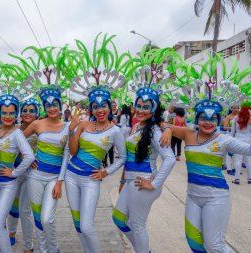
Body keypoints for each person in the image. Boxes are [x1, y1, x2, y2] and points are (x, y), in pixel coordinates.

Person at [162, 59, 251, 252]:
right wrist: (168, 129)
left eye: (212, 119)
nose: (207, 122)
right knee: (194, 242)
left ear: (218, 120)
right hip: (193, 196)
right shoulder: (188, 134)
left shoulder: (224, 140)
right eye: (203, 118)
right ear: (196, 118)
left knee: (214, 245)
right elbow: (160, 124)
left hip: (216, 196)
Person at [113, 67, 176, 253]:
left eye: (146, 107)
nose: (141, 110)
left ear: (154, 109)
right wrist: (123, 181)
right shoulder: (136, 127)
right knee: (118, 219)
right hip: (131, 181)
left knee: (137, 225)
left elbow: (170, 159)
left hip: (143, 183)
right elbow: (127, 158)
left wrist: (154, 183)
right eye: (138, 106)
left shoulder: (156, 131)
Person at [66, 71, 127, 253]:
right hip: (71, 175)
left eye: (104, 106)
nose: (100, 110)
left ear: (109, 107)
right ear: (91, 109)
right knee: (78, 224)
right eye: (95, 106)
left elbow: (123, 157)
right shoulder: (84, 125)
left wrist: (106, 172)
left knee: (86, 225)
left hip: (90, 179)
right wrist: (71, 130)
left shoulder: (115, 131)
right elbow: (73, 151)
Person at [0, 86, 35, 253]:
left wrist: (14, 172)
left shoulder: (17, 134)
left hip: (7, 184)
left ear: (16, 114)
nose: (8, 116)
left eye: (12, 113)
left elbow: (29, 156)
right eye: (4, 112)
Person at [23, 80, 70, 253]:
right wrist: (26, 157)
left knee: (47, 219)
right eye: (48, 105)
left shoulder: (67, 126)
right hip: (35, 176)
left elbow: (66, 155)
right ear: (44, 106)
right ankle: (44, 250)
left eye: (55, 104)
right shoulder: (37, 124)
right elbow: (18, 141)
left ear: (60, 106)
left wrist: (60, 181)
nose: (51, 108)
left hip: (53, 178)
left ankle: (54, 248)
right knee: (37, 217)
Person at [7, 98, 40, 251]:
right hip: (13, 172)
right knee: (12, 206)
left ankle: (28, 245)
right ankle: (11, 233)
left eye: (31, 110)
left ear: (37, 113)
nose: (27, 113)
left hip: (31, 174)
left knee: (25, 210)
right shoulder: (14, 130)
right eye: (25, 110)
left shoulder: (41, 130)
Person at [231, 103, 251, 184]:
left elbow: (232, 132)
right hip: (249, 139)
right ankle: (249, 179)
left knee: (238, 160)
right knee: (248, 160)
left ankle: (237, 179)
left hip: (238, 139)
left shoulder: (236, 118)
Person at [223, 105, 239, 174]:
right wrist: (232, 129)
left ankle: (235, 168)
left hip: (238, 136)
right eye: (234, 108)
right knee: (229, 153)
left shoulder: (240, 116)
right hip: (230, 135)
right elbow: (225, 127)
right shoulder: (228, 116)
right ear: (231, 109)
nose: (235, 109)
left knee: (237, 153)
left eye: (237, 108)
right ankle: (229, 168)